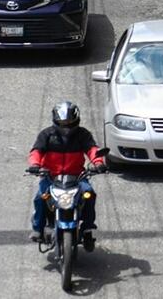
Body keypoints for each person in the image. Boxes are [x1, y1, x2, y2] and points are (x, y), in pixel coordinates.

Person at [27, 102, 107, 245]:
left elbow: (92, 149)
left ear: (76, 120)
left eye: (70, 122)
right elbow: (36, 151)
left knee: (89, 194)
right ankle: (38, 229)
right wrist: (35, 165)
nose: (66, 126)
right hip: (51, 177)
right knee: (40, 197)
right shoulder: (46, 134)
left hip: (77, 176)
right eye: (63, 122)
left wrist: (98, 163)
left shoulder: (83, 134)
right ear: (56, 120)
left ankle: (88, 227)